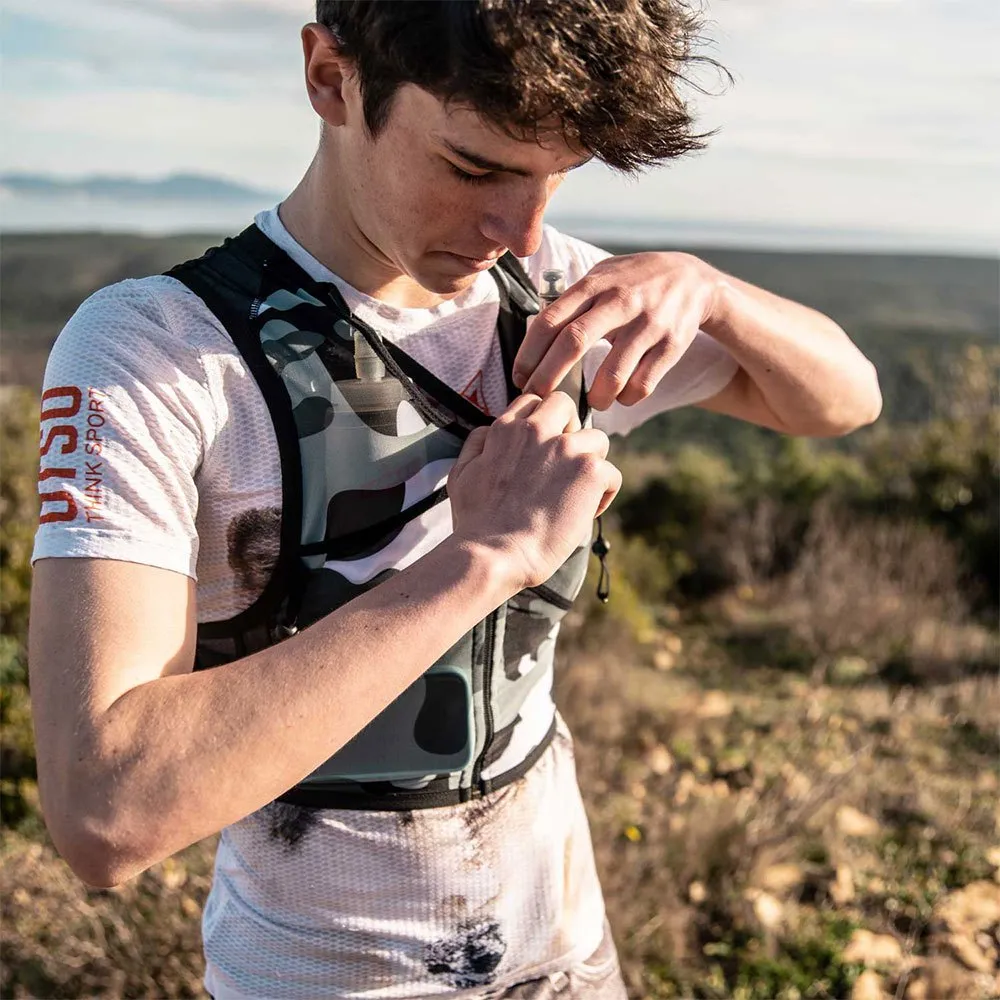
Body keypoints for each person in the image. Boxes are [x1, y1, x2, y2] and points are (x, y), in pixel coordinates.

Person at [27, 2, 882, 997]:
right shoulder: (159, 353)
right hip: (323, 974)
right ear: (331, 78)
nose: (520, 229)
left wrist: (714, 291)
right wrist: (488, 559)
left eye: (558, 175)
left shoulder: (555, 300)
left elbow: (842, 400)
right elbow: (105, 813)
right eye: (474, 168)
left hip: (567, 957)